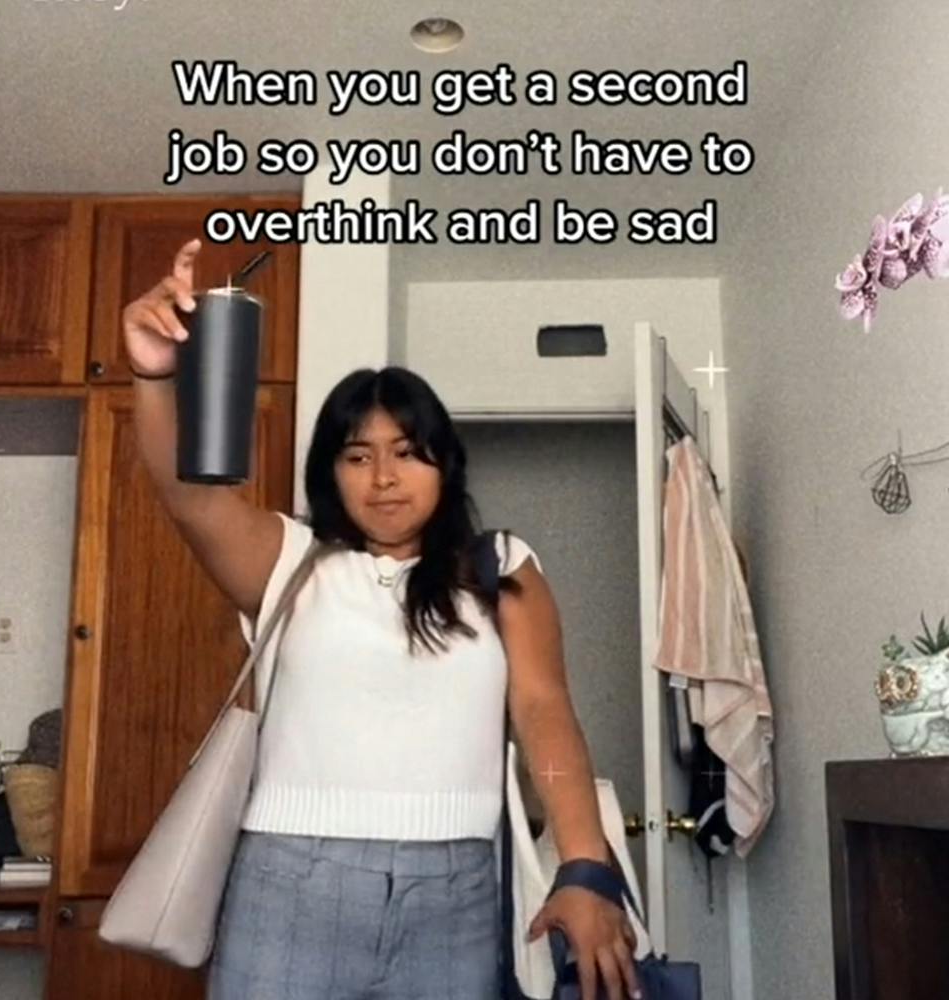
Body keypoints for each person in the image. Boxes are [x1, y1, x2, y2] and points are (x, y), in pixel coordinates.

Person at [122, 240, 640, 1000]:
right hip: (288, 884)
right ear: (330, 471)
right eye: (358, 456)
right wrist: (152, 371)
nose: (385, 477)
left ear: (444, 463)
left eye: (407, 452)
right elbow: (190, 498)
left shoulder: (502, 566)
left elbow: (542, 708)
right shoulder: (290, 561)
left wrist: (586, 866)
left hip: (456, 893)